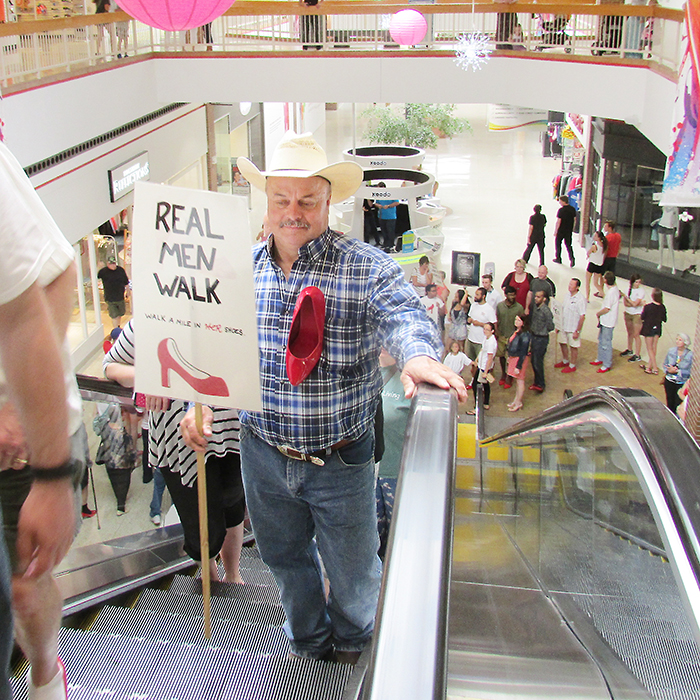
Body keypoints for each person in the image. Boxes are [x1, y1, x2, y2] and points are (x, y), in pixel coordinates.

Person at [182, 132, 467, 663]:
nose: (293, 213)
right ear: (266, 204)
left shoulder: (366, 267)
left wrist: (416, 353)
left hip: (340, 461)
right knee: (284, 560)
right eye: (281, 200)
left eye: (307, 200)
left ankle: (361, 653)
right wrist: (199, 407)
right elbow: (215, 353)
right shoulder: (237, 272)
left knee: (356, 574)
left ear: (327, 201)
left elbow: (403, 314)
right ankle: (309, 644)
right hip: (262, 455)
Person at [0, 137, 85, 700]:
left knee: (26, 591)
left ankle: (45, 675)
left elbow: (58, 275)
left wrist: (17, 410)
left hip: (26, 447)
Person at [103, 320, 246, 583]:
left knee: (234, 507)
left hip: (230, 432)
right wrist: (149, 376)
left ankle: (233, 576)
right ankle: (211, 579)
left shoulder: (226, 312)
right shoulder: (155, 316)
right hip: (177, 442)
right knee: (200, 526)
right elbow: (111, 365)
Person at [590, 270, 620, 374]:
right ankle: (600, 358)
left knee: (606, 342)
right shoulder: (614, 290)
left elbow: (607, 308)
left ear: (605, 280)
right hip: (605, 321)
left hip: (608, 321)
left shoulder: (612, 293)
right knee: (601, 339)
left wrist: (598, 313)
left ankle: (607, 363)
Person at [554, 277, 586, 373]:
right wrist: (558, 325)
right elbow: (562, 309)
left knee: (573, 346)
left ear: (577, 287)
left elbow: (582, 316)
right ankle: (565, 360)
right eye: (569, 284)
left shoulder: (580, 299)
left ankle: (572, 365)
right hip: (564, 325)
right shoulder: (567, 296)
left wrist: (577, 331)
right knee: (562, 342)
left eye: (572, 285)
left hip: (573, 328)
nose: (569, 286)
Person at [495, 286, 524, 387]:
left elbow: (522, 323)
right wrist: (497, 332)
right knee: (502, 356)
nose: (512, 296)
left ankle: (509, 377)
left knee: (511, 358)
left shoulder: (519, 308)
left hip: (513, 337)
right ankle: (503, 374)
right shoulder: (500, 306)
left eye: (514, 294)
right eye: (510, 294)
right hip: (502, 335)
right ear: (506, 295)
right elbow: (497, 319)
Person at [529, 289, 555, 392]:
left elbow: (550, 326)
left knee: (538, 361)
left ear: (544, 299)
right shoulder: (536, 308)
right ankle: (536, 382)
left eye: (538, 297)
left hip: (541, 339)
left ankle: (541, 384)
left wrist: (543, 330)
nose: (536, 298)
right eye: (535, 296)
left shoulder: (545, 310)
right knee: (533, 360)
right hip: (534, 337)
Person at [468, 322, 496, 414]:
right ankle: (486, 402)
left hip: (484, 367)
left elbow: (490, 358)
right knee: (485, 385)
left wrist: (485, 371)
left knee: (476, 385)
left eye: (487, 329)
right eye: (484, 329)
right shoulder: (486, 338)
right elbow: (482, 349)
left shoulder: (491, 342)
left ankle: (477, 406)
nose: (485, 331)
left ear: (492, 331)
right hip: (482, 365)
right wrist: (477, 358)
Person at [662, 333, 693, 414]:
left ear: (685, 342)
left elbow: (691, 371)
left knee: (677, 403)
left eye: (680, 340)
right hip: (669, 380)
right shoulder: (671, 351)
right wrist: (668, 369)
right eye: (677, 339)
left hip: (681, 382)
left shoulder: (690, 355)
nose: (678, 342)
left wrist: (678, 372)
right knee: (670, 400)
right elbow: (665, 363)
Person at [506, 313, 531, 412]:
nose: (516, 322)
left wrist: (519, 366)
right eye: (516, 320)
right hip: (513, 357)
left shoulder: (525, 335)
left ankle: (518, 402)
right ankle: (516, 400)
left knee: (520, 380)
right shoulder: (516, 331)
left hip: (519, 359)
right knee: (517, 380)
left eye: (519, 320)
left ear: (523, 323)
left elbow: (523, 351)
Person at [640, 287, 667, 375]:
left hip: (649, 329)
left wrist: (644, 306)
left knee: (649, 348)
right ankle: (649, 365)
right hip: (658, 329)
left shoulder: (648, 307)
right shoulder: (662, 307)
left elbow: (642, 317)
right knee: (654, 347)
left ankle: (654, 367)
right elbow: (664, 319)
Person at [97, 255, 129, 328]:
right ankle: (116, 329)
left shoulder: (120, 270)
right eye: (111, 264)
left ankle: (117, 326)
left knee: (120, 313)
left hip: (120, 296)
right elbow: (96, 276)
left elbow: (126, 282)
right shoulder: (103, 272)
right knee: (114, 315)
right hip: (110, 297)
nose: (113, 265)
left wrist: (128, 292)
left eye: (114, 263)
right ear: (108, 264)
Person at [466, 286, 497, 362]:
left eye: (477, 295)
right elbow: (469, 316)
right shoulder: (473, 305)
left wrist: (481, 324)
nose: (475, 296)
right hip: (471, 338)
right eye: (475, 294)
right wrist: (469, 320)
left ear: (483, 296)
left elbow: (494, 325)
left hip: (481, 341)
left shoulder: (489, 309)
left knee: (480, 361)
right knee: (471, 361)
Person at [621, 273, 645, 362]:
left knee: (636, 334)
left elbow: (635, 304)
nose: (638, 284)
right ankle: (629, 349)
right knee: (630, 332)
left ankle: (637, 354)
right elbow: (626, 304)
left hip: (637, 314)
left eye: (639, 282)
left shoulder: (641, 291)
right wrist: (635, 303)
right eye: (636, 282)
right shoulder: (627, 289)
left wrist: (629, 300)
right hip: (628, 313)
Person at [552, 195, 577, 267]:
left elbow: (559, 221)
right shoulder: (572, 209)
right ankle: (572, 258)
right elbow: (575, 219)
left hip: (561, 230)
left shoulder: (561, 210)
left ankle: (558, 258)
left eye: (560, 201)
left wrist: (556, 231)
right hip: (568, 230)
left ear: (563, 201)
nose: (560, 202)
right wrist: (573, 228)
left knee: (558, 244)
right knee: (568, 245)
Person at [375, 184, 400, 252]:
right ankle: (385, 243)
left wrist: (389, 206)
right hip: (381, 216)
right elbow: (376, 203)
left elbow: (397, 202)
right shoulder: (379, 195)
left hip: (390, 216)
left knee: (390, 231)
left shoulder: (391, 194)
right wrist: (378, 205)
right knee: (383, 231)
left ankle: (391, 245)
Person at [585, 230, 607, 301]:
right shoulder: (604, 245)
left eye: (595, 236)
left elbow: (589, 252)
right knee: (596, 283)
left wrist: (588, 255)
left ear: (599, 238)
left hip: (592, 264)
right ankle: (603, 294)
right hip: (599, 265)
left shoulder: (595, 246)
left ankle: (587, 297)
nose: (594, 237)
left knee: (587, 281)